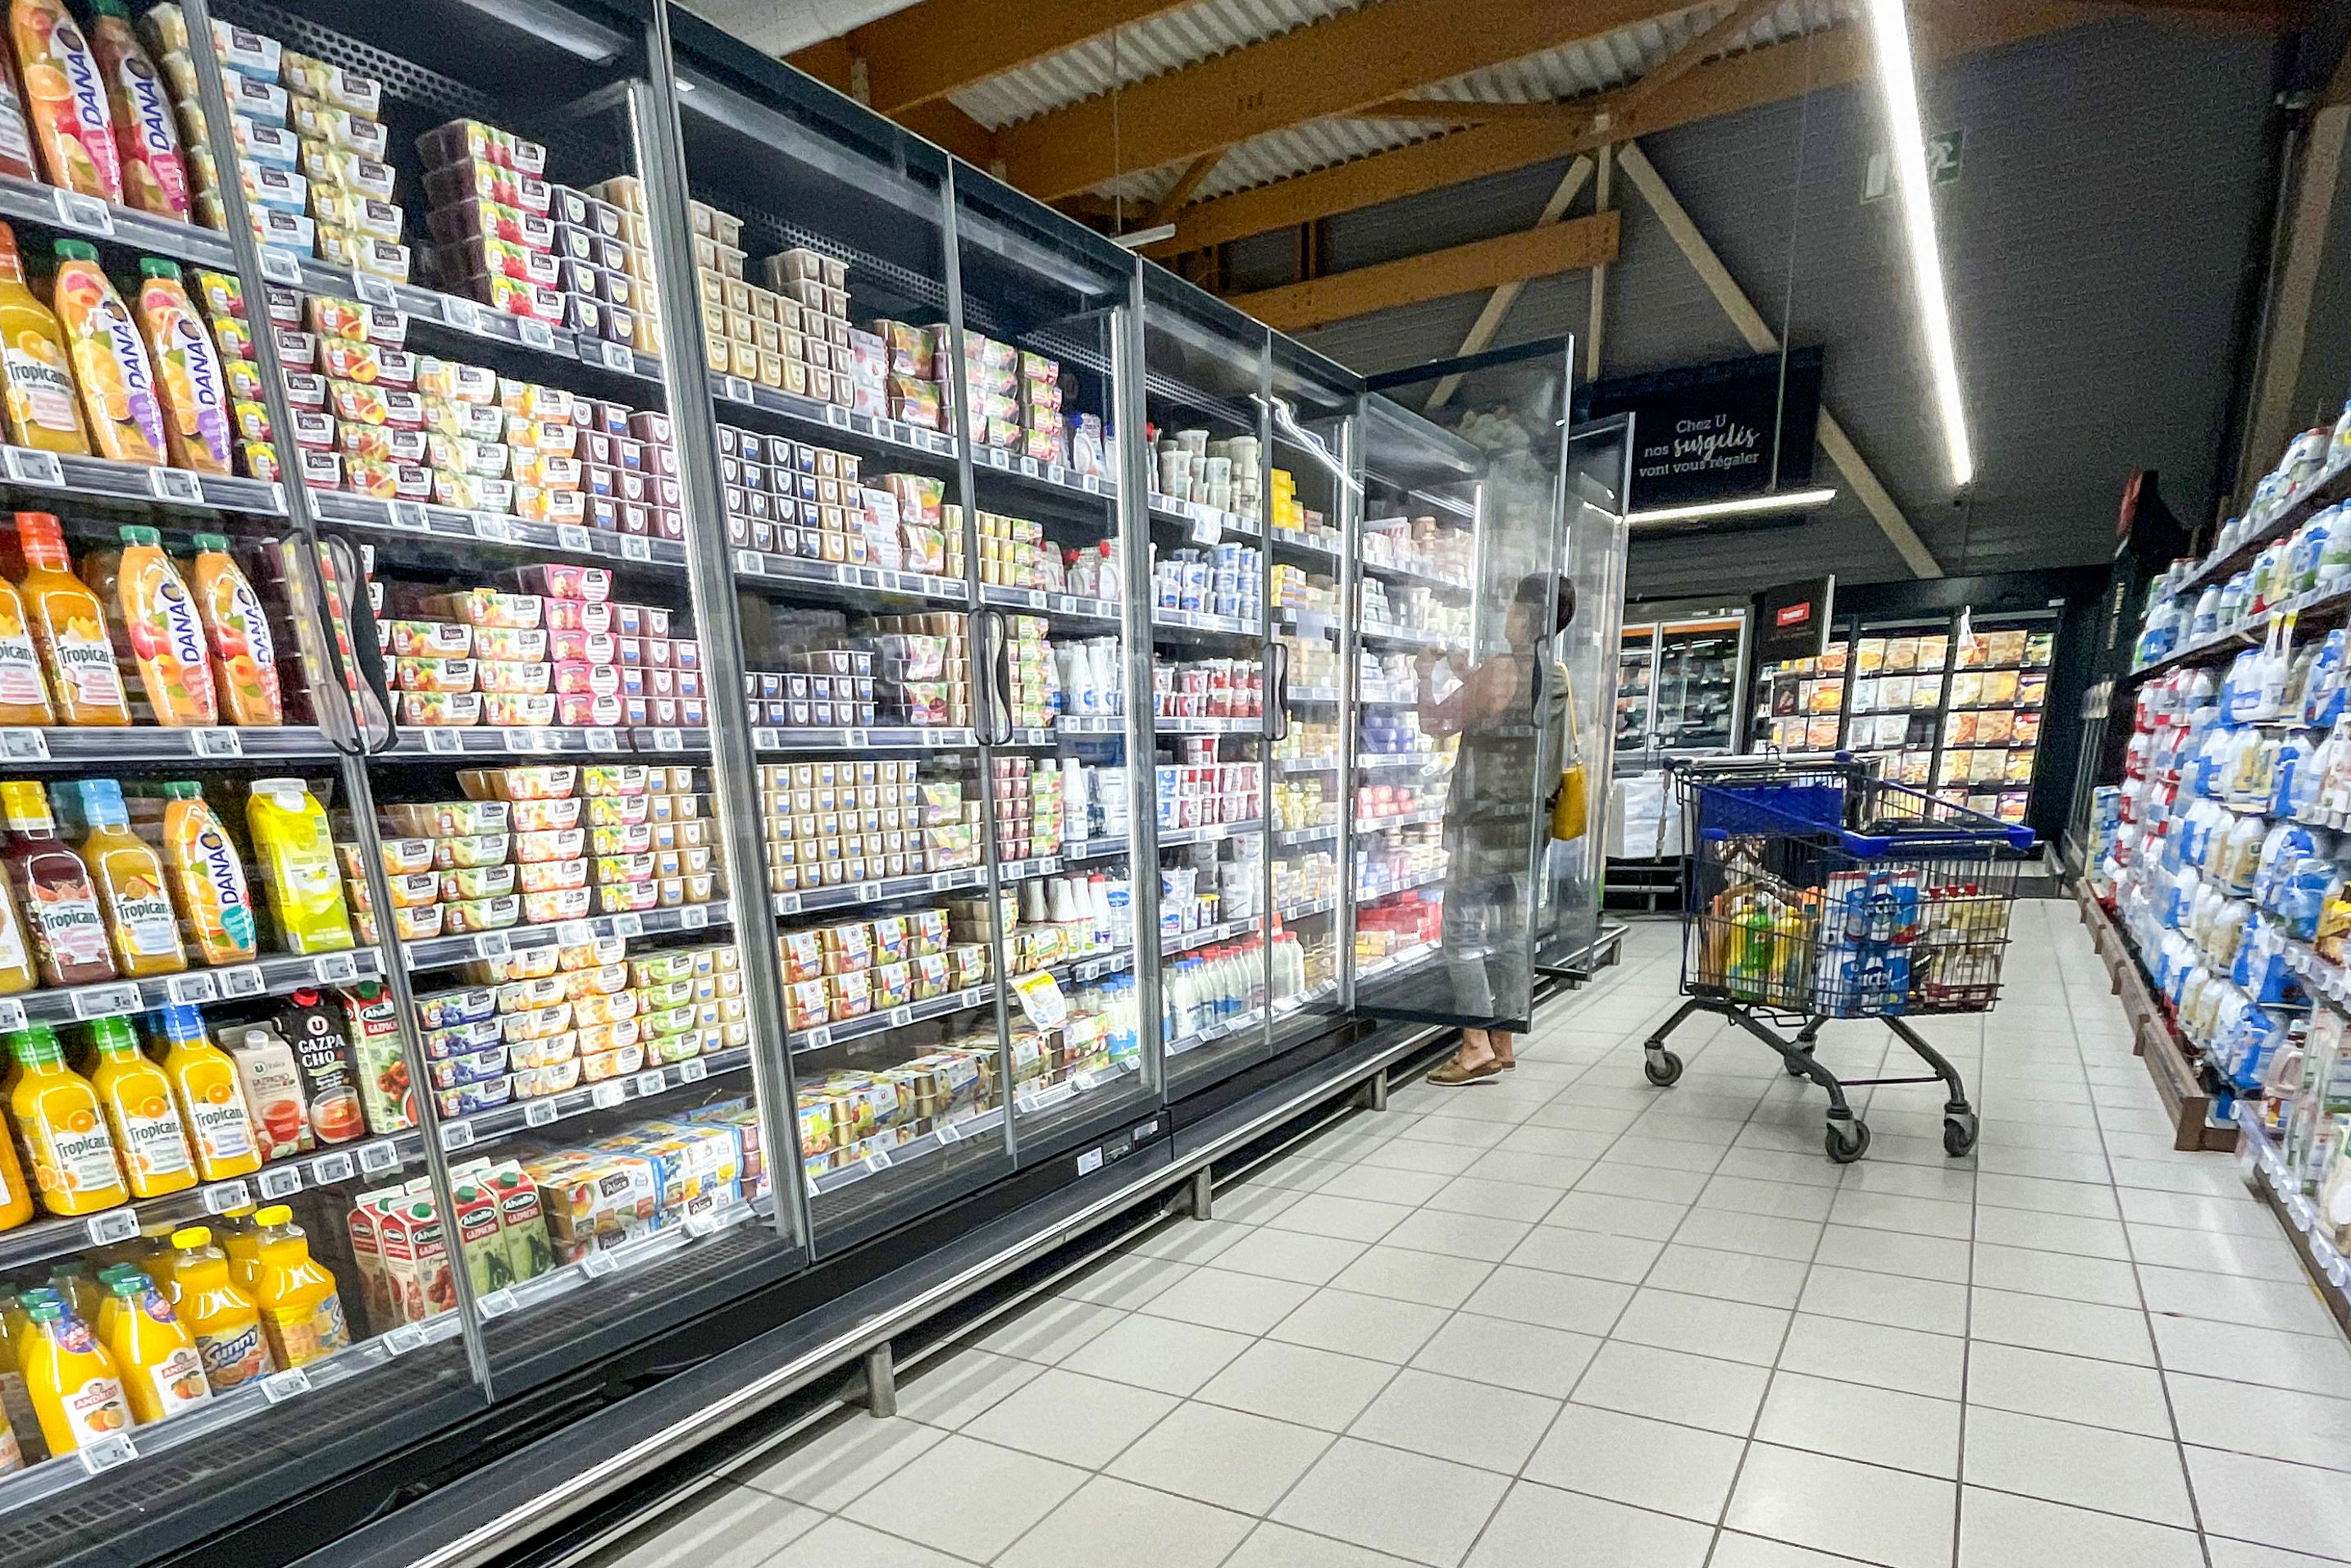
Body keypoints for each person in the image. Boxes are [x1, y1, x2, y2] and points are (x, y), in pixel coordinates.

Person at [1422, 571, 1577, 1085]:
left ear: (1529, 617)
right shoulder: (1553, 674)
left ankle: (1473, 1046)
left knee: (1462, 934)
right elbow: (1507, 712)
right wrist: (1471, 676)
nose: (1506, 616)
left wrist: (1427, 676)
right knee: (1513, 936)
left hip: (1481, 828)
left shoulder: (1498, 670)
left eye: (1514, 608)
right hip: (1527, 828)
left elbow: (1437, 723)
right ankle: (1505, 1041)